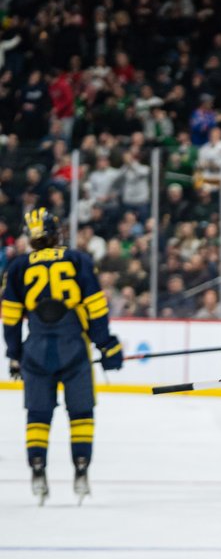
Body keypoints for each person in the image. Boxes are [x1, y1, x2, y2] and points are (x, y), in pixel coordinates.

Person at [2, 209, 123, 504]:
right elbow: (95, 307)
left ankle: (37, 466)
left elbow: (11, 318)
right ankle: (81, 467)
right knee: (81, 413)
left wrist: (15, 355)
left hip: (36, 350)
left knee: (38, 415)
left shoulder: (17, 267)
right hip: (73, 348)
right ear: (56, 232)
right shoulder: (77, 259)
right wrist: (106, 345)